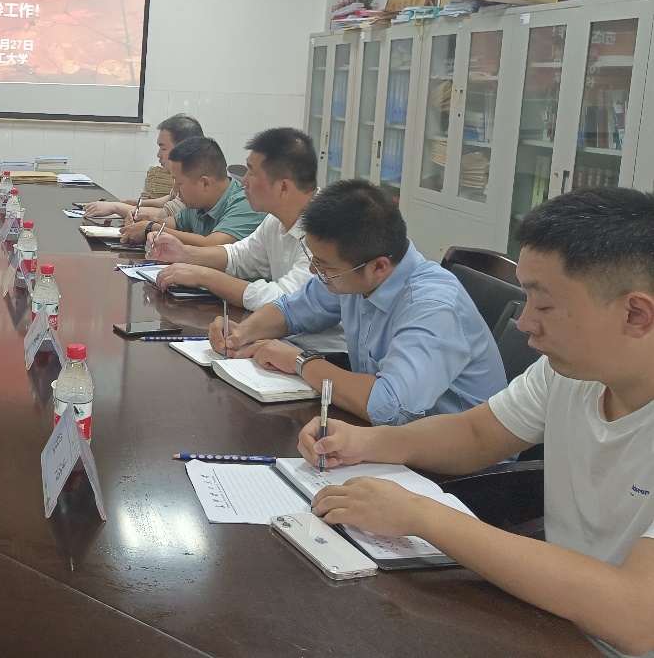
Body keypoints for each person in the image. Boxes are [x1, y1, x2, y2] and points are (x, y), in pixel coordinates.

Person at [302, 187, 654, 658]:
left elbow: (637, 617)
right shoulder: (568, 372)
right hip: (554, 619)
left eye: (545, 306)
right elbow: (476, 434)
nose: (525, 323)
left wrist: (421, 515)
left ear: (636, 313)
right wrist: (368, 441)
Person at [210, 178, 506, 424]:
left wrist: (298, 361)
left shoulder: (432, 306)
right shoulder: (352, 275)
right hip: (388, 436)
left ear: (379, 267)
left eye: (324, 265)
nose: (313, 270)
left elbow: (388, 406)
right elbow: (293, 309)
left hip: (455, 462)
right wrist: (242, 332)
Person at [147, 127, 345, 354]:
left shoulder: (327, 230)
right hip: (278, 342)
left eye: (252, 172)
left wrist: (204, 276)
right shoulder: (275, 220)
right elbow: (240, 256)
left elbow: (284, 301)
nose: (244, 182)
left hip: (322, 354)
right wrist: (184, 253)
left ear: (283, 187)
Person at [119, 136, 266, 247]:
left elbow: (212, 245)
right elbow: (173, 223)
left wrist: (152, 228)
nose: (175, 189)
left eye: (180, 183)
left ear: (205, 183)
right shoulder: (197, 203)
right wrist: (146, 221)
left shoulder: (246, 204)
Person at [83, 114, 201, 221]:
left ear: (182, 149)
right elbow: (170, 199)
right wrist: (138, 203)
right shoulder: (183, 175)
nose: (158, 155)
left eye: (163, 148)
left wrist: (115, 207)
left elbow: (165, 214)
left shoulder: (194, 179)